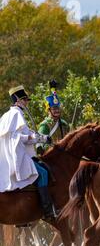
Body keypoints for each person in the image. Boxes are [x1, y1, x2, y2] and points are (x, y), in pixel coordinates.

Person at [0, 86, 56, 221]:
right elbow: (22, 138)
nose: (27, 102)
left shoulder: (7, 115)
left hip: (10, 157)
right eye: (25, 99)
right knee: (42, 174)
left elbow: (26, 134)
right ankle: (48, 211)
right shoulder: (16, 114)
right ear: (18, 100)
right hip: (19, 156)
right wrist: (42, 138)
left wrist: (41, 137)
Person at [37, 80, 70, 155]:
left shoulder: (64, 124)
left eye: (58, 108)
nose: (57, 110)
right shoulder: (45, 125)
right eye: (54, 109)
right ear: (49, 110)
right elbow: (40, 146)